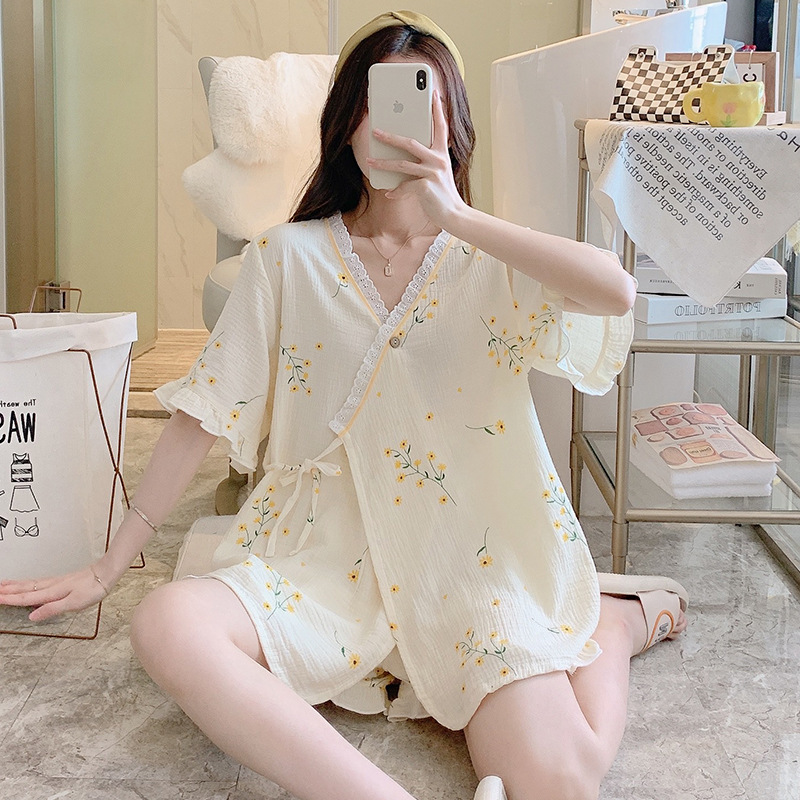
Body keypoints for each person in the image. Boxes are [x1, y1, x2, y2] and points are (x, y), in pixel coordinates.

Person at [0, 11, 688, 800]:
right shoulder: (285, 258)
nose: (391, 127)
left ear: (452, 125)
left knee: (560, 780)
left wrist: (457, 216)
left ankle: (614, 621)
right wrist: (108, 565)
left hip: (471, 570)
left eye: (418, 102)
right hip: (319, 566)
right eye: (373, 104)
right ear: (345, 124)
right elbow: (202, 413)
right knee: (164, 624)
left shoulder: (488, 259)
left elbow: (616, 291)